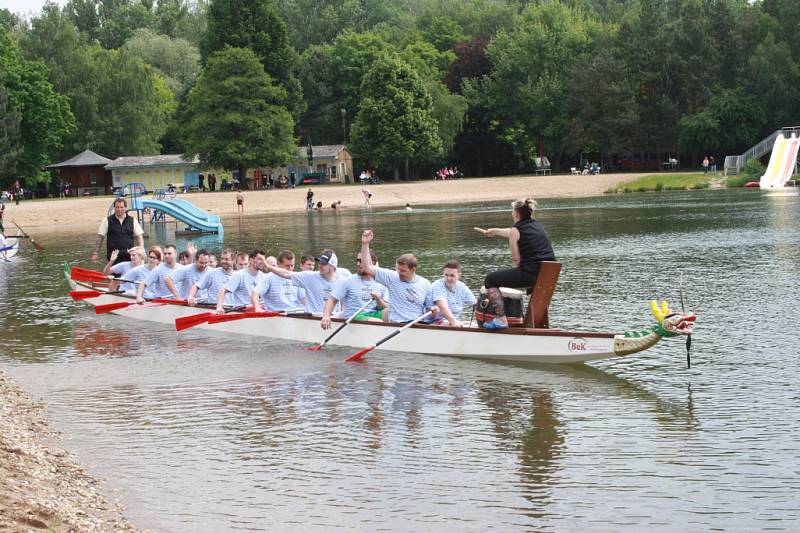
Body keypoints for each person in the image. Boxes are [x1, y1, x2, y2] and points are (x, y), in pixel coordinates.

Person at [474, 197, 556, 330]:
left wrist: (519, 274)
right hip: (547, 275)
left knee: (490, 279)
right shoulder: (538, 226)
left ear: (516, 214)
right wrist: (494, 231)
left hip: (530, 275)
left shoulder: (516, 230)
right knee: (529, 280)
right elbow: (514, 232)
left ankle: (501, 319)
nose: (511, 214)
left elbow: (517, 260)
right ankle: (539, 324)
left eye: (512, 211)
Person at [359, 230, 437, 323]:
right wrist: (365, 243)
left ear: (413, 270)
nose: (399, 272)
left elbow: (430, 313)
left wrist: (434, 312)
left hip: (417, 324)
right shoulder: (391, 277)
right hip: (397, 323)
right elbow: (367, 268)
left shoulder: (425, 284)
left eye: (402, 270)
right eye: (397, 269)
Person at [261, 249, 351, 315]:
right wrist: (268, 267)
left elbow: (347, 302)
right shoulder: (309, 276)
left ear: (333, 267)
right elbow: (286, 274)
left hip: (333, 318)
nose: (319, 266)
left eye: (323, 264)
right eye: (319, 263)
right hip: (312, 319)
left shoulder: (342, 279)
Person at [321, 249, 389, 329]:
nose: (357, 263)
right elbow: (332, 300)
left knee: (393, 313)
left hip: (374, 314)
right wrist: (326, 316)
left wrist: (378, 300)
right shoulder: (347, 281)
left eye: (361, 261)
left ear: (372, 263)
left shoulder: (381, 283)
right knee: (378, 322)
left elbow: (384, 307)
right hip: (354, 316)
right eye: (357, 260)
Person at [92, 197, 145, 265]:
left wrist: (141, 250)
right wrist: (96, 252)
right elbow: (100, 237)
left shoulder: (133, 220)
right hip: (113, 256)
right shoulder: (107, 220)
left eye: (121, 207)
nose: (119, 209)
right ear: (114, 208)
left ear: (125, 208)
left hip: (130, 255)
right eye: (117, 207)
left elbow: (139, 237)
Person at [430, 260, 476, 327]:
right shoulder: (437, 285)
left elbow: (476, 304)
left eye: (452, 275)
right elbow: (443, 308)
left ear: (458, 275)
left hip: (454, 321)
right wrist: (453, 322)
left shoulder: (462, 286)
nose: (448, 278)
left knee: (474, 324)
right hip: (437, 321)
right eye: (446, 275)